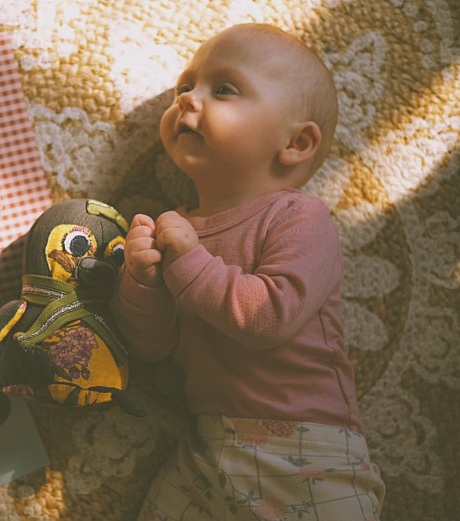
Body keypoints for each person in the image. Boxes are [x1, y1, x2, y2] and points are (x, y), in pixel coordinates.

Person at [111, 23, 386, 520]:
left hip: (309, 454)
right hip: (207, 449)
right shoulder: (177, 229)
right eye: (184, 87)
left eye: (223, 89)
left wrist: (188, 261)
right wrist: (142, 284)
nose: (186, 99)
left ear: (296, 143)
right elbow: (153, 350)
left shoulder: (300, 217)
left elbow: (269, 318)